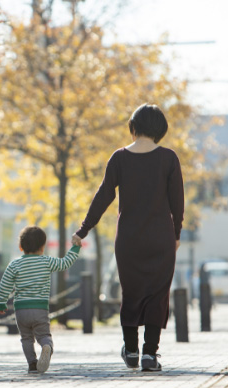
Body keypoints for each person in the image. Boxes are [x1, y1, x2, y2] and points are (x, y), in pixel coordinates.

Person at [72, 103, 184, 372]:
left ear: (133, 128)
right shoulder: (169, 159)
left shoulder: (119, 158)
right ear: (160, 130)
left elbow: (103, 197)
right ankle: (149, 354)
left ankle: (131, 350)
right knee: (158, 295)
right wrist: (177, 234)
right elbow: (177, 203)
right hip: (161, 239)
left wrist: (83, 229)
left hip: (129, 241)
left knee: (131, 293)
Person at [0, 226, 81, 374]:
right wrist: (74, 249)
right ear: (43, 247)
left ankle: (32, 364)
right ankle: (46, 346)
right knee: (43, 335)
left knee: (26, 338)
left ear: (20, 247)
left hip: (21, 310)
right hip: (40, 308)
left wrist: (1, 302)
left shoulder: (14, 264)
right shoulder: (46, 261)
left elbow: (5, 284)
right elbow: (65, 263)